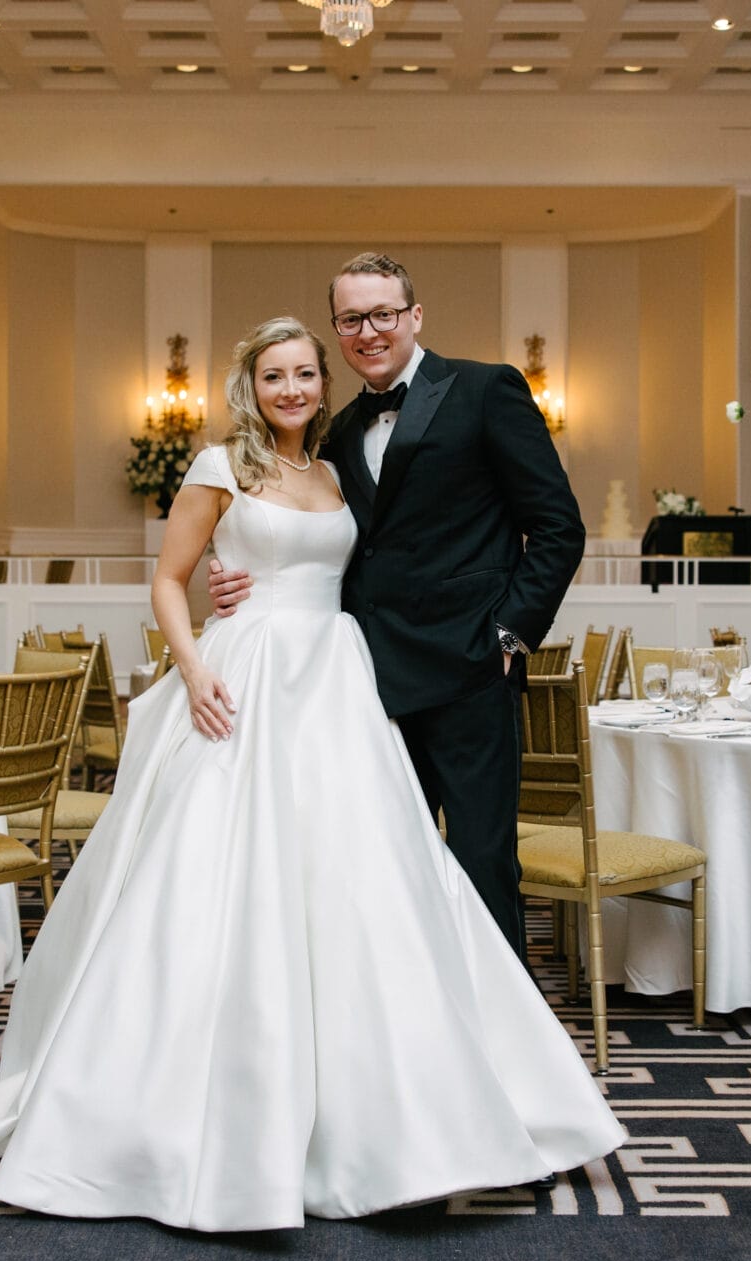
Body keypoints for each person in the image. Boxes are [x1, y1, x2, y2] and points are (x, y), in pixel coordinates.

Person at [0, 317, 623, 1232]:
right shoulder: (221, 466)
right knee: (220, 880)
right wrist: (195, 665)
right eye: (273, 375)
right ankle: (195, 1111)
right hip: (245, 678)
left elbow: (393, 557)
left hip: (337, 682)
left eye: (304, 373)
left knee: (365, 884)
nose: (291, 388)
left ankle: (402, 1110)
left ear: (322, 381)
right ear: (247, 385)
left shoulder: (337, 468)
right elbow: (170, 579)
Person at [210, 252, 585, 959]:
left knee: (480, 861)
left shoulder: (484, 390)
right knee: (381, 868)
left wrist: (509, 634)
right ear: (338, 330)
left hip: (472, 671)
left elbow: (559, 526)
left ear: (415, 316)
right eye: (351, 318)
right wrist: (232, 570)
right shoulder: (340, 431)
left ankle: (499, 1039)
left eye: (383, 313)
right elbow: (321, 540)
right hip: (366, 684)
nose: (369, 330)